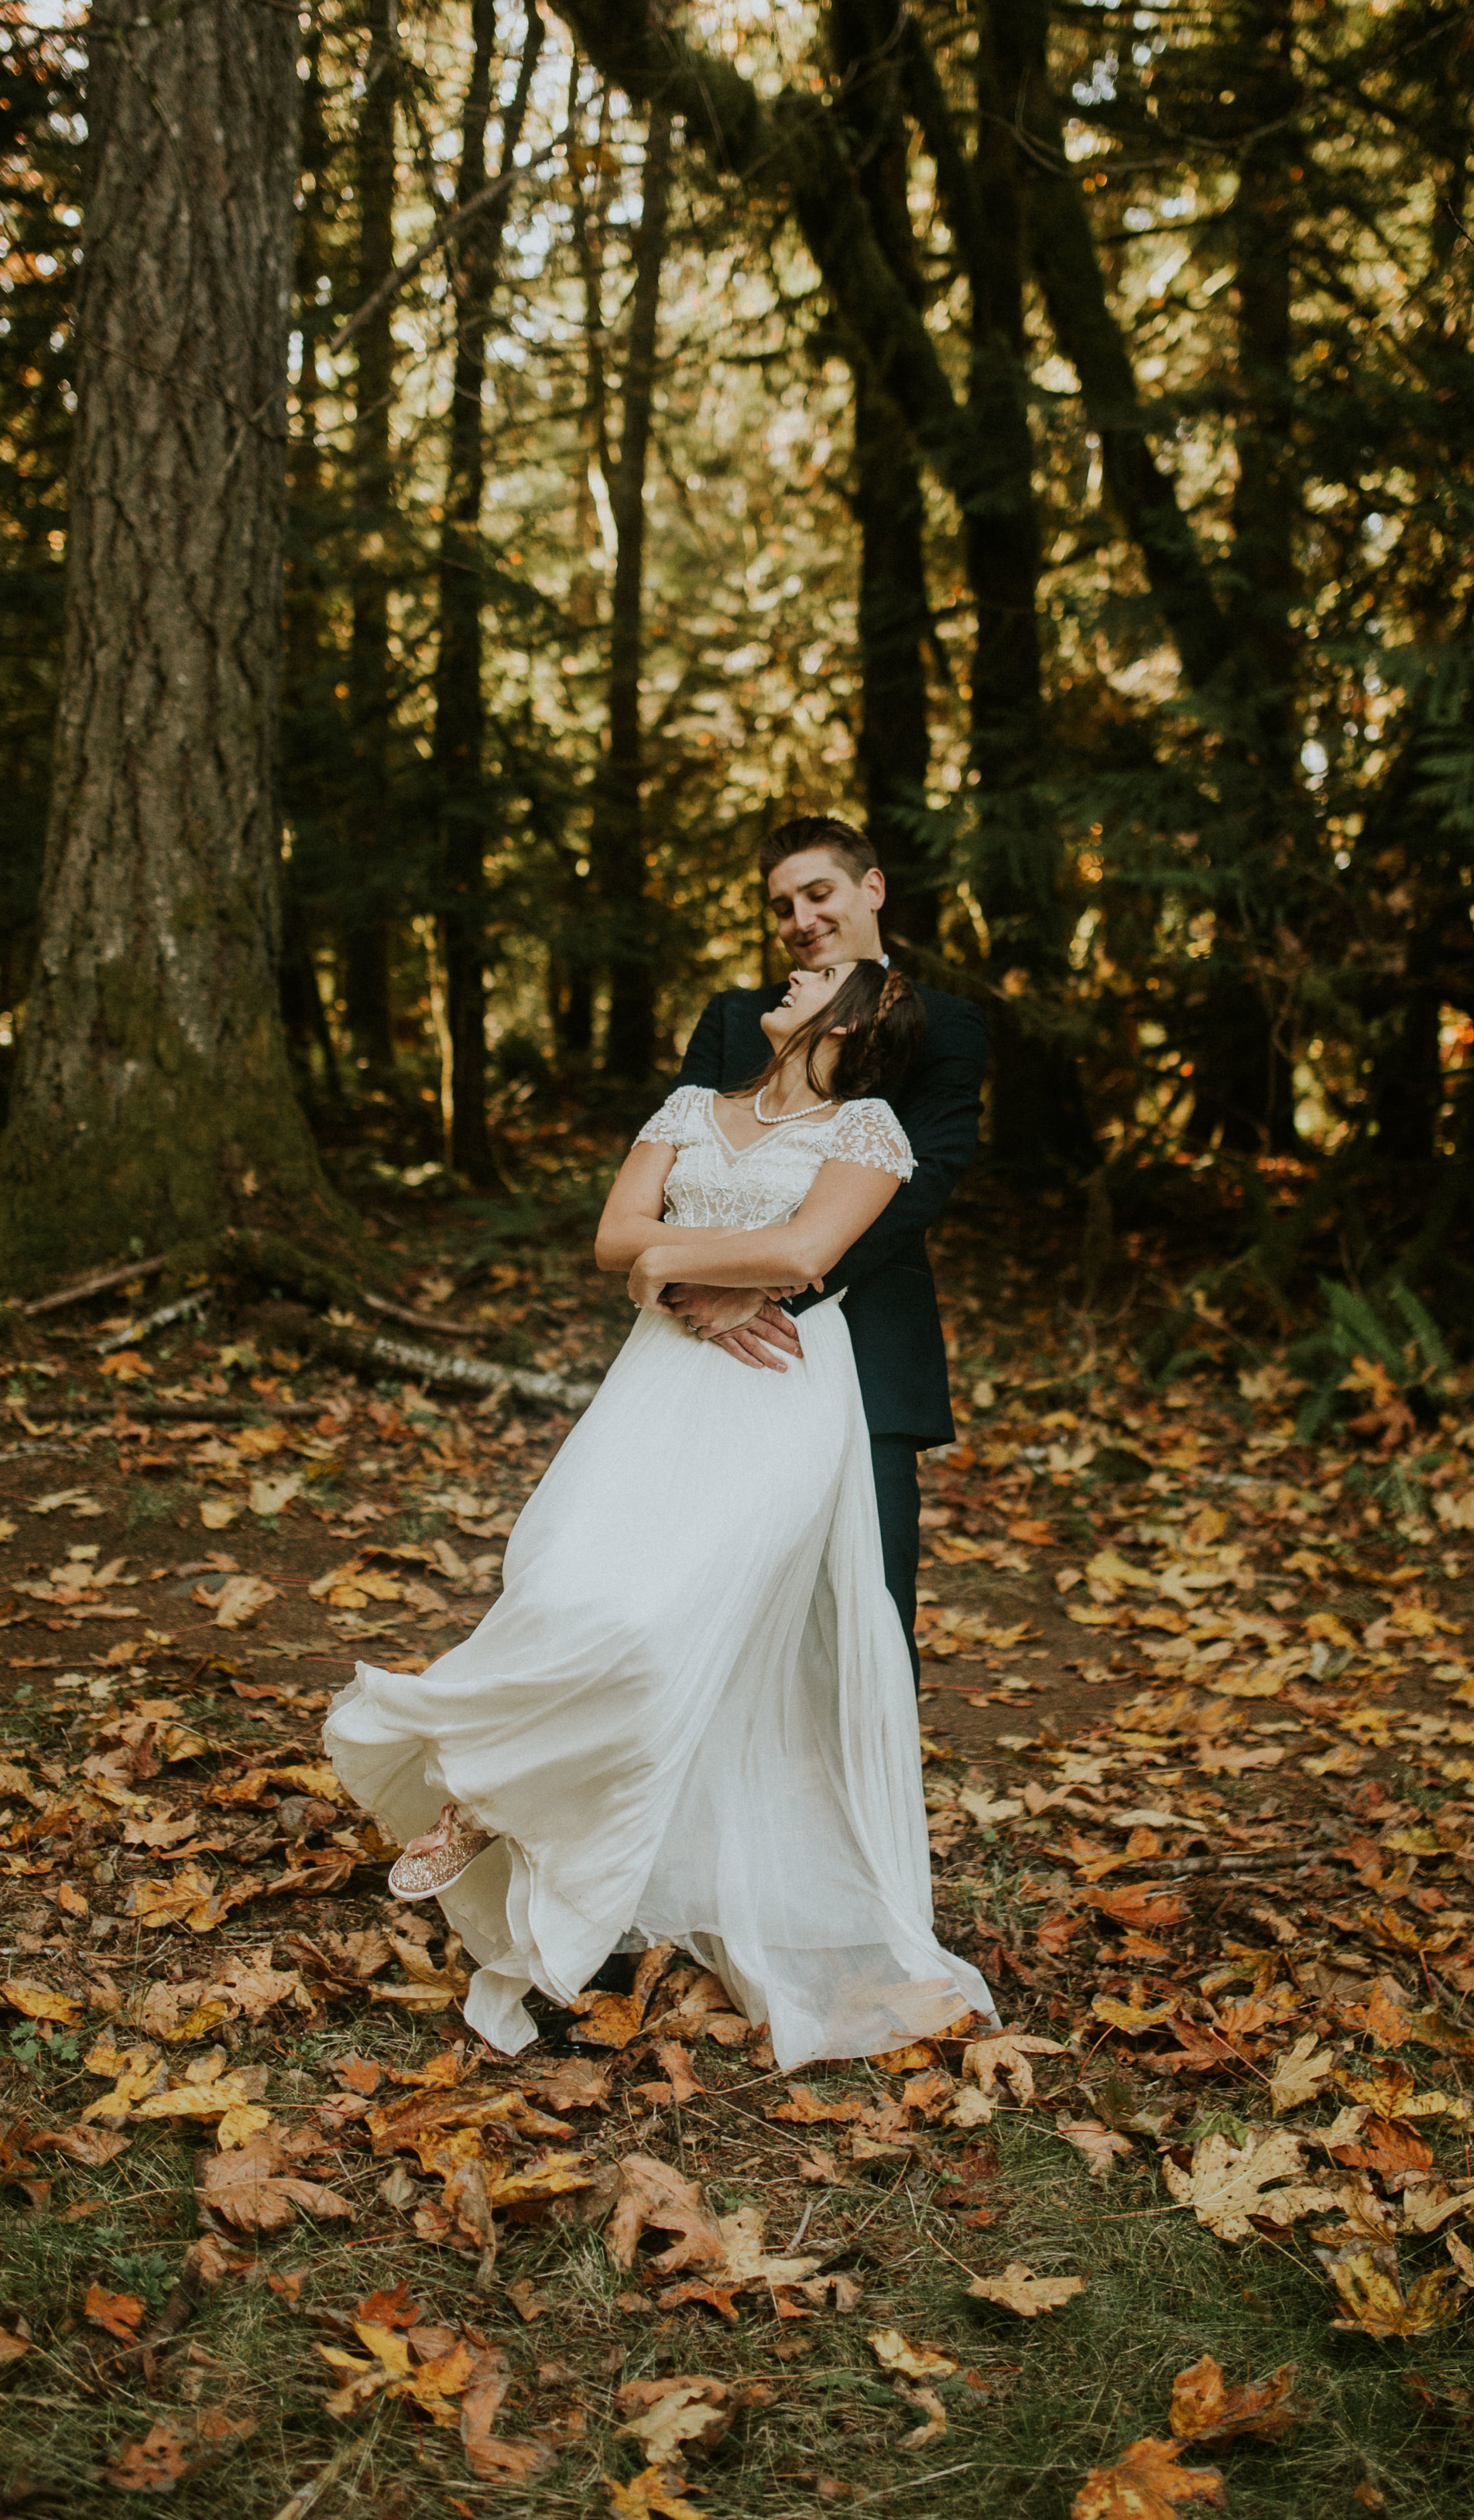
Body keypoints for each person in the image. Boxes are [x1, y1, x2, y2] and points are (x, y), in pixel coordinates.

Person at [322, 951, 993, 2068]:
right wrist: (681, 1285)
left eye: (819, 970)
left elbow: (805, 1250)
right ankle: (524, 1791)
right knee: (565, 1577)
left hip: (780, 1394)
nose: (790, 966)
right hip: (657, 1383)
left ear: (860, 1018)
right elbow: (610, 1235)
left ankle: (495, 1796)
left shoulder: (870, 1129)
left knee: (662, 1622)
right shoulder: (692, 1105)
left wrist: (673, 1265)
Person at [660, 817, 988, 1680]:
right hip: (712, 1349)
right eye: (781, 906)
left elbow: (926, 1179)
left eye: (818, 894)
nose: (799, 920)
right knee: (693, 1601)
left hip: (867, 1347)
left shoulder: (945, 1025)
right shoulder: (736, 1020)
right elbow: (666, 1163)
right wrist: (682, 1288)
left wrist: (778, 1288)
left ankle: (862, 1813)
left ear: (871, 889)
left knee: (864, 1618)